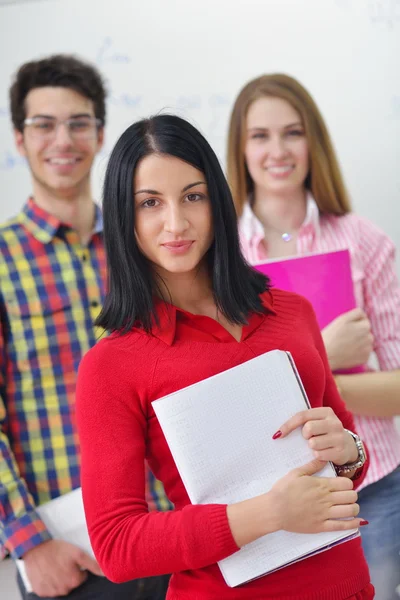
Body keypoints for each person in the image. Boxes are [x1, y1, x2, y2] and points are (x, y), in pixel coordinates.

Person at [75, 114, 374, 599]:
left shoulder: (293, 313)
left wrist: (348, 450)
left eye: (193, 196)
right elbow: (116, 546)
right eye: (150, 203)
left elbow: (349, 460)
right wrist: (268, 514)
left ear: (217, 200)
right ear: (123, 217)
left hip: (346, 586)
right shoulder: (110, 366)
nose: (176, 223)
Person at [0, 54, 170, 600]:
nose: (62, 140)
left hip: (174, 531)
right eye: (43, 125)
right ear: (19, 140)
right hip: (71, 557)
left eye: (78, 123)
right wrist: (28, 542)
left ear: (99, 136)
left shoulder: (148, 247)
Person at [226, 72, 400, 599]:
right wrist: (325, 353)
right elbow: (231, 402)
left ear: (313, 141)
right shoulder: (220, 258)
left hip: (373, 488)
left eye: (292, 132)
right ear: (240, 149)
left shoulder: (365, 242)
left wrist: (307, 385)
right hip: (270, 501)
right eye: (260, 135)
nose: (277, 150)